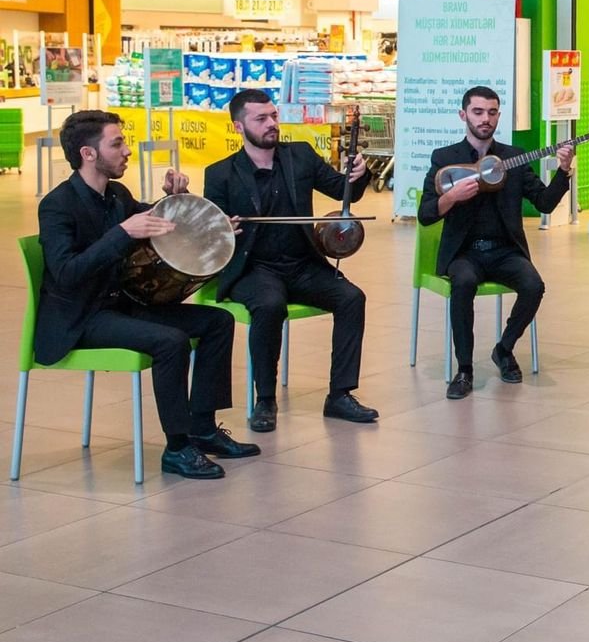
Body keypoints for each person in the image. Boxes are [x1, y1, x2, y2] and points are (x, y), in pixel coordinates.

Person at [37, 111, 256, 479]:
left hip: (124, 304)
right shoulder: (58, 205)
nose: (127, 150)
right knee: (170, 341)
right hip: (82, 319)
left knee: (218, 321)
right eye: (117, 143)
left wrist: (179, 202)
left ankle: (202, 427)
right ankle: (177, 448)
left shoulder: (116, 194)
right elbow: (66, 272)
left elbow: (158, 221)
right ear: (88, 154)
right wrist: (122, 232)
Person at [204, 89, 378, 433]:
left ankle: (340, 395)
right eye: (261, 118)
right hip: (254, 268)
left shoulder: (299, 155)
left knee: (351, 298)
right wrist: (225, 226)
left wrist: (359, 174)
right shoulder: (221, 173)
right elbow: (212, 230)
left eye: (273, 115)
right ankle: (265, 398)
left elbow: (344, 194)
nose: (271, 123)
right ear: (239, 127)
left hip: (302, 265)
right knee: (269, 305)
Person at [418, 86, 573, 400]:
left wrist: (564, 170)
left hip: (504, 251)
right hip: (464, 253)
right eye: (477, 112)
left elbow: (544, 203)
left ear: (498, 115)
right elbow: (425, 214)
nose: (485, 119)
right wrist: (450, 197)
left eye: (491, 112)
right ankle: (464, 370)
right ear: (464, 115)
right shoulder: (445, 158)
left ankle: (504, 349)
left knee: (534, 285)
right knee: (462, 284)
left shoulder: (512, 158)